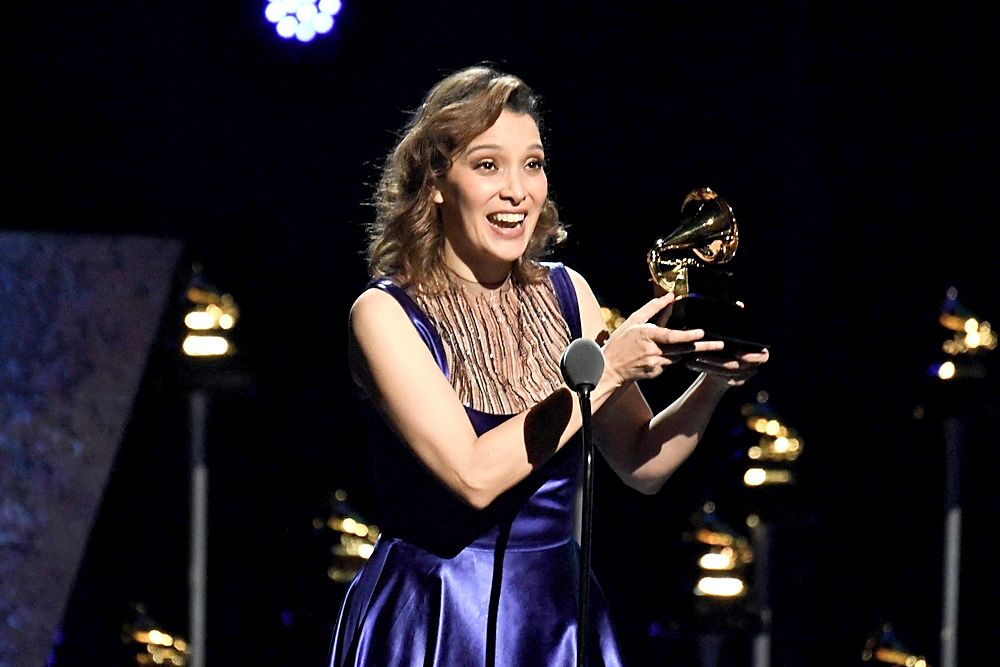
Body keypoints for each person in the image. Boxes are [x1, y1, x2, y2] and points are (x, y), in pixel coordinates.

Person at [327, 64, 769, 667]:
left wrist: (713, 380)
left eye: (531, 164)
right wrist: (608, 369)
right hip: (439, 615)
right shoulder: (384, 314)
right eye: (488, 165)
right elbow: (473, 476)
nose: (518, 190)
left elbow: (643, 462)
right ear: (434, 179)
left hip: (555, 619)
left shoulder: (568, 295)